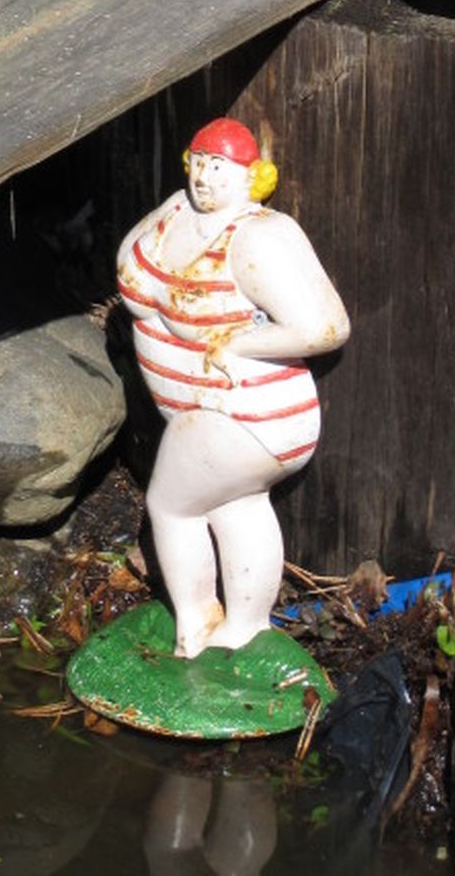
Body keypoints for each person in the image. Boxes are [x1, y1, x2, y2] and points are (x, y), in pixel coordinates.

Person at [117, 118, 349, 659]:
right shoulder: (177, 209)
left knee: (171, 505)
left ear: (251, 176)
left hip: (246, 414)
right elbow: (132, 263)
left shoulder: (258, 237)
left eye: (219, 167)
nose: (204, 177)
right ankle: (245, 627)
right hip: (206, 415)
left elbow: (328, 326)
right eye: (198, 162)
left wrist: (243, 344)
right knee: (236, 507)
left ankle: (194, 626)